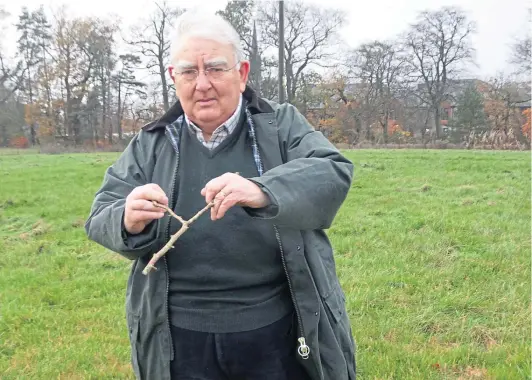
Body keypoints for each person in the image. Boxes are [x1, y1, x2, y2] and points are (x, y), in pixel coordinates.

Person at [85, 10, 356, 380]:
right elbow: (101, 214)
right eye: (189, 72)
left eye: (215, 68)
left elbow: (333, 172)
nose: (202, 84)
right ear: (173, 78)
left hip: (275, 327)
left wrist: (262, 190)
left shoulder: (280, 125)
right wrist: (126, 218)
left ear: (241, 74)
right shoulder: (151, 142)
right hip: (177, 339)